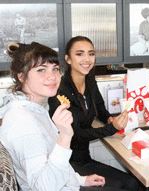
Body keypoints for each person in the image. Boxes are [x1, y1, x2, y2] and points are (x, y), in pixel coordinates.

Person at [0, 41, 124, 190]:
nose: (52, 76)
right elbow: (44, 186)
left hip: (67, 182)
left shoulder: (34, 110)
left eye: (55, 69)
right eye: (41, 70)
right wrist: (65, 136)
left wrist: (80, 179)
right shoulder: (23, 122)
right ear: (22, 77)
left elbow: (53, 161)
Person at [48, 36, 140, 191]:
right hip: (68, 164)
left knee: (132, 183)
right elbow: (75, 134)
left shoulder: (89, 80)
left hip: (85, 159)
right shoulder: (59, 91)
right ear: (68, 59)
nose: (87, 59)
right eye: (79, 54)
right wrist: (112, 128)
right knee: (119, 186)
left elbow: (99, 108)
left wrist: (109, 119)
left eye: (91, 54)